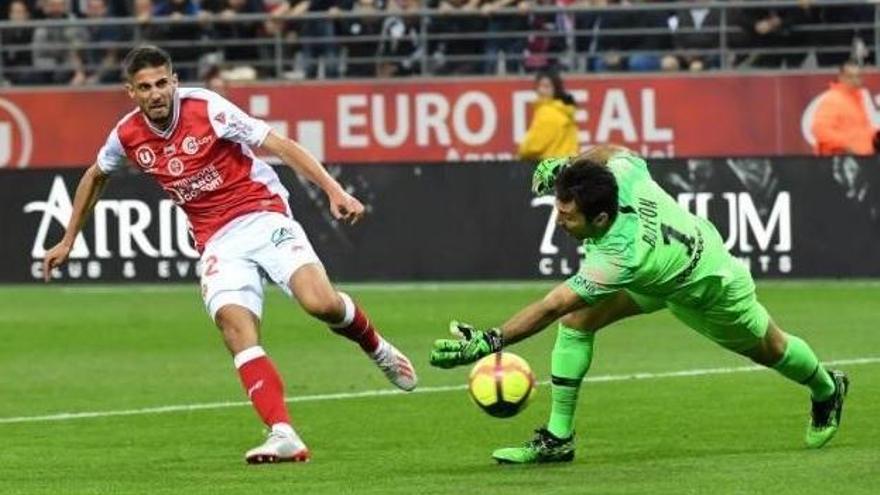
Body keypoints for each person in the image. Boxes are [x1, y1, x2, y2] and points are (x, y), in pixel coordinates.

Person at [41, 45, 418, 465]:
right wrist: (68, 238)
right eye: (145, 87)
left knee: (321, 303)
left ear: (175, 81)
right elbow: (96, 176)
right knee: (235, 328)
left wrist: (334, 190)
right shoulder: (127, 134)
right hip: (216, 241)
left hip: (262, 213)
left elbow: (279, 143)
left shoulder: (207, 107)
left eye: (162, 83)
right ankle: (283, 433)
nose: (156, 93)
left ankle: (377, 347)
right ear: (131, 91)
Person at [429, 145, 849, 464]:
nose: (559, 220)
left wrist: (491, 340)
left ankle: (827, 389)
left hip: (712, 287)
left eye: (568, 215)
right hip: (662, 275)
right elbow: (614, 152)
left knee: (772, 350)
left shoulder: (618, 257)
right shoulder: (622, 177)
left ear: (600, 220)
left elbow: (552, 303)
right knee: (579, 322)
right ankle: (558, 440)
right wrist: (572, 164)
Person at [811, 60, 879, 156]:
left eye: (858, 76)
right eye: (850, 77)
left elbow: (860, 131)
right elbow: (820, 130)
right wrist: (844, 146)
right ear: (841, 77)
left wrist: (875, 136)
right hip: (842, 160)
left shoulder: (857, 100)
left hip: (861, 159)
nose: (855, 80)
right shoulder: (833, 99)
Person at [517, 69, 579, 161]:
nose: (541, 90)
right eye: (539, 86)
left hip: (549, 168)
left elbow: (534, 146)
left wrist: (521, 152)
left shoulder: (547, 112)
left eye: (546, 87)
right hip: (567, 166)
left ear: (556, 89)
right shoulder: (566, 112)